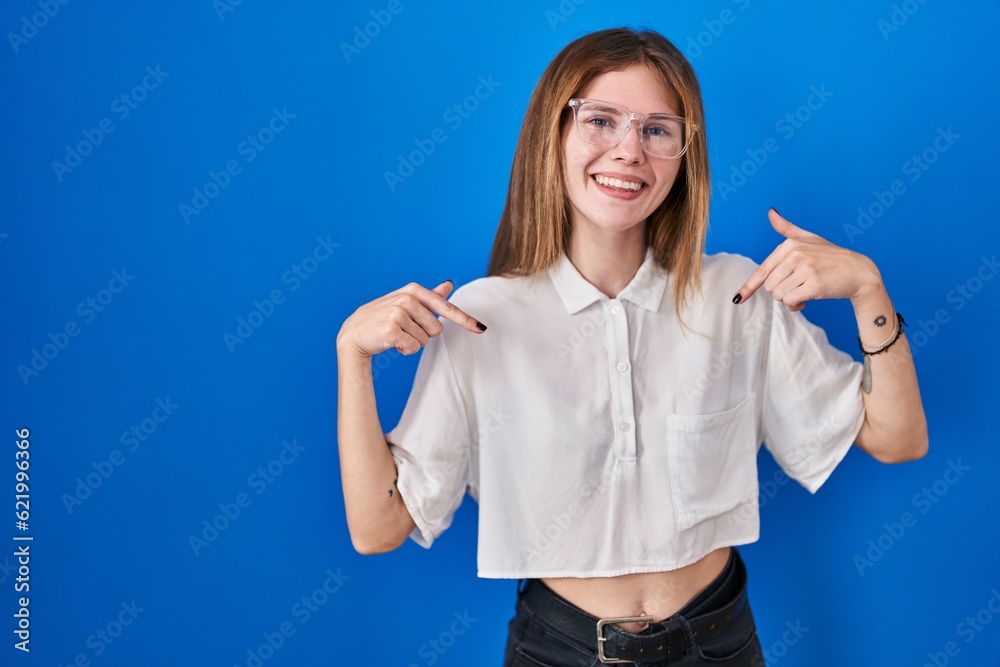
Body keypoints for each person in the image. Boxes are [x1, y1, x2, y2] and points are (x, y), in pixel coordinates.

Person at [336, 27, 927, 666]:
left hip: (718, 643)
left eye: (656, 129)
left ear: (683, 153)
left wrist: (869, 288)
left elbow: (899, 439)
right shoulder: (482, 320)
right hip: (557, 649)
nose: (628, 151)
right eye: (601, 121)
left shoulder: (736, 294)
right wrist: (352, 356)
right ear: (552, 135)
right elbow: (379, 528)